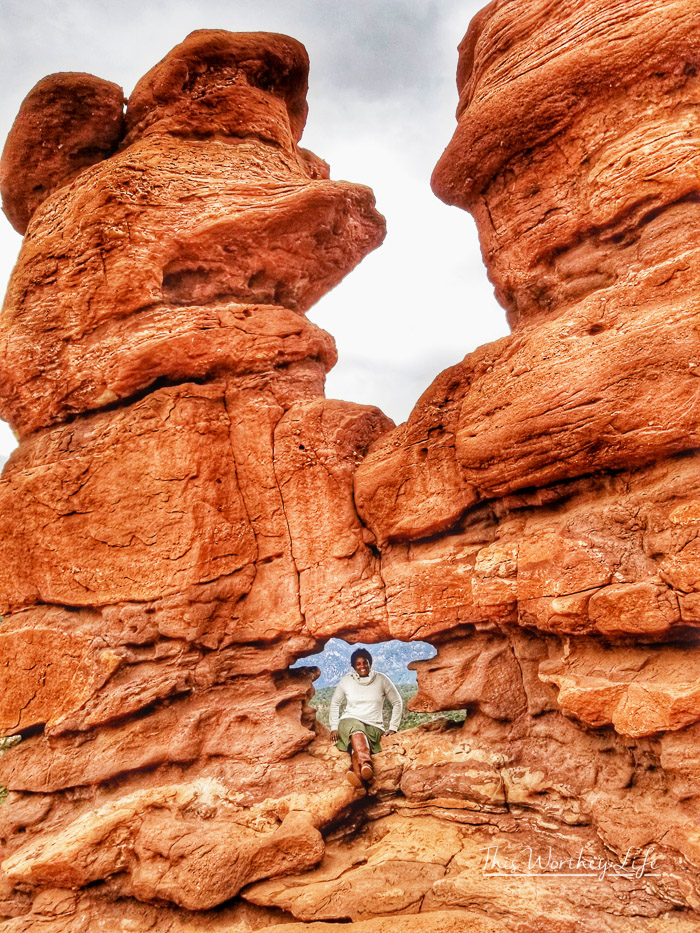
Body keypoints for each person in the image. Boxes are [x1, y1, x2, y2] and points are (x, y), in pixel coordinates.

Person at [329, 647, 403, 787]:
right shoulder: (346, 681)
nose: (362, 666)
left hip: (374, 725)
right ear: (353, 666)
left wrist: (393, 727)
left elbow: (397, 702)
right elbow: (335, 703)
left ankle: (360, 778)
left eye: (365, 662)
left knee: (357, 742)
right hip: (349, 721)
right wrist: (333, 727)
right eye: (358, 664)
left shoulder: (381, 679)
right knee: (356, 730)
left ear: (370, 663)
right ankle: (366, 764)